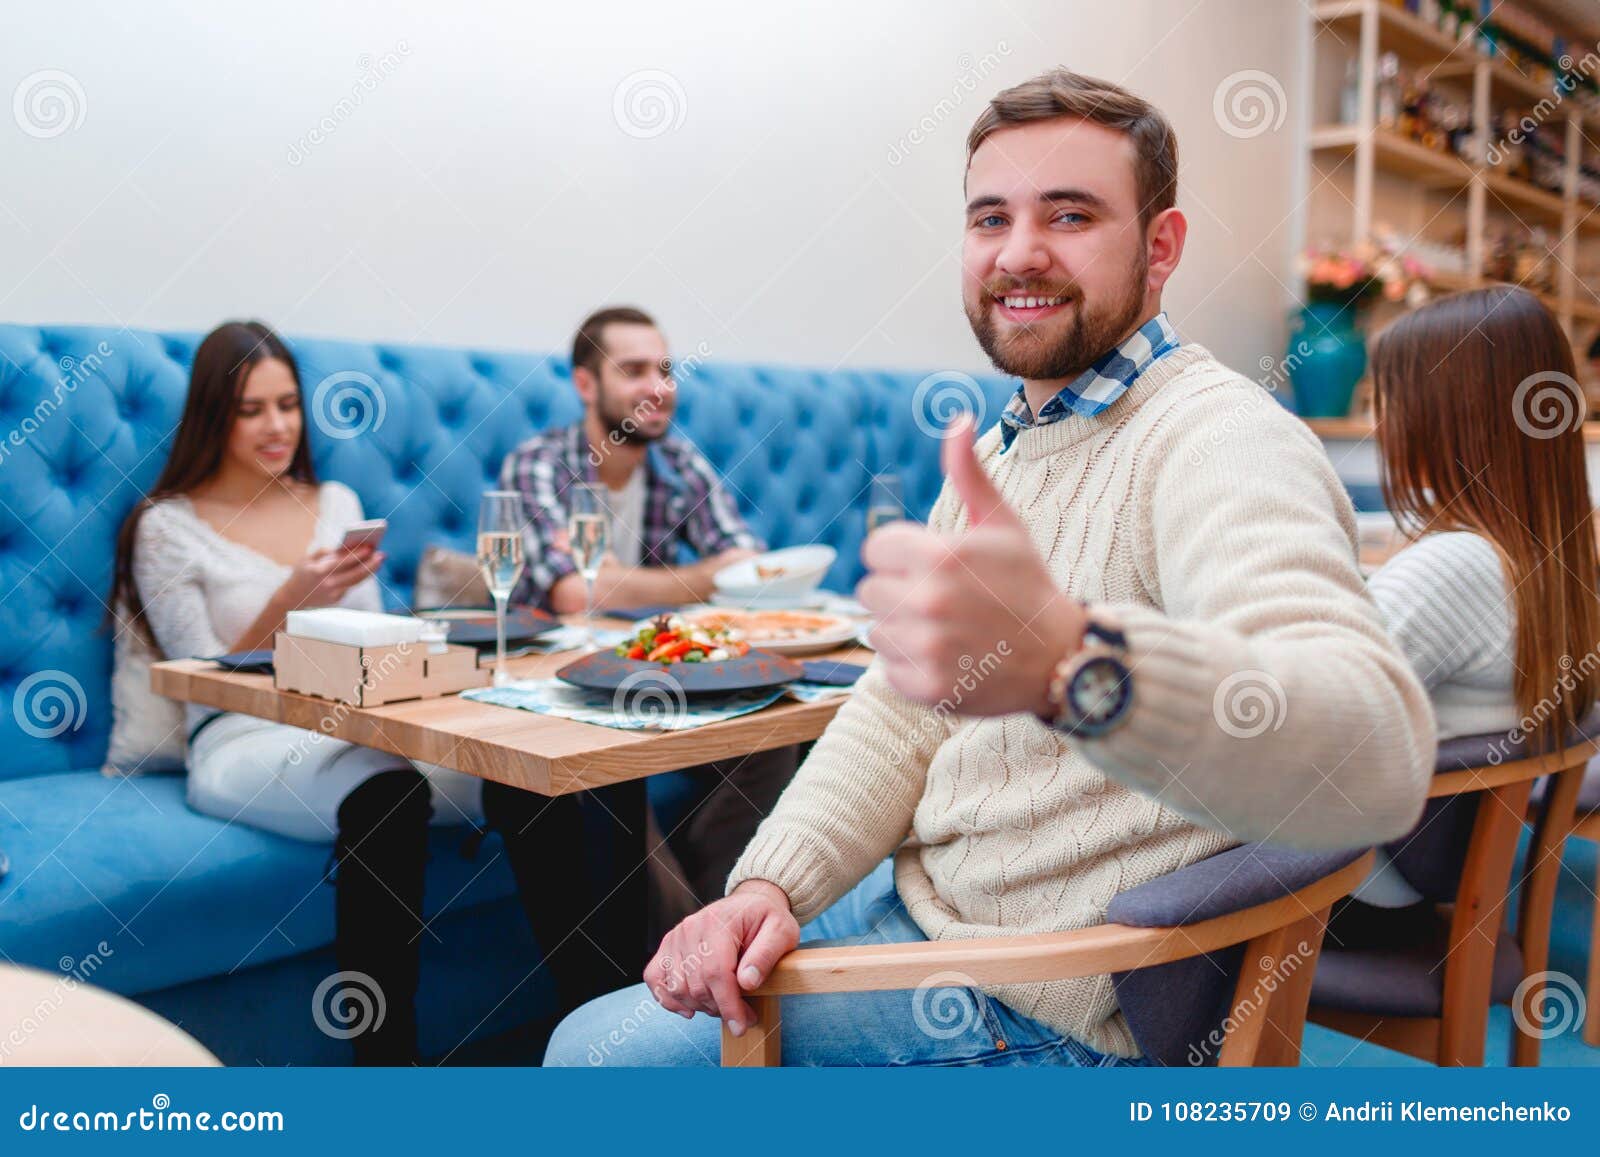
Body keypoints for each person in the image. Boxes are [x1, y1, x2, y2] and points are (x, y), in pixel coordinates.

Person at [544, 69, 1435, 1068]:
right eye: (989, 218)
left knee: (593, 1057)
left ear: (1160, 246)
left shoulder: (1220, 439)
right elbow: (896, 711)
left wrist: (1073, 668)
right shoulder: (1010, 446)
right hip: (918, 915)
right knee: (636, 994)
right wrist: (767, 888)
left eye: (1070, 214)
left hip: (1038, 1006)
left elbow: (1377, 759)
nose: (1018, 252)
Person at [111, 321, 636, 1064]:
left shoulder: (333, 501)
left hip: (360, 726)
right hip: (239, 737)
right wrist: (293, 597)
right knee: (387, 797)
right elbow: (203, 676)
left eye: (288, 404)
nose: (277, 426)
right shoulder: (167, 525)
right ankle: (387, 1071)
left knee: (531, 780)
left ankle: (605, 1042)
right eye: (251, 409)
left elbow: (376, 642)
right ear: (212, 416)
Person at [496, 306, 797, 919]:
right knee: (614, 768)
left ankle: (725, 912)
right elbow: (575, 596)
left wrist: (649, 585)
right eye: (633, 370)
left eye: (664, 370)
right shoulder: (539, 463)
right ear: (586, 384)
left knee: (775, 728)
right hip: (559, 687)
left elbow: (748, 568)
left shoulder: (676, 464)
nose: (657, 388)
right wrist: (699, 580)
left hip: (651, 670)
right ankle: (687, 946)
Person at [1335, 285, 1600, 920]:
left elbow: (1309, 727)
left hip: (1356, 882)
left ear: (1448, 414)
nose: (1380, 423)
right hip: (1432, 865)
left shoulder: (1452, 570)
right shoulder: (1556, 554)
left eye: (1389, 400)